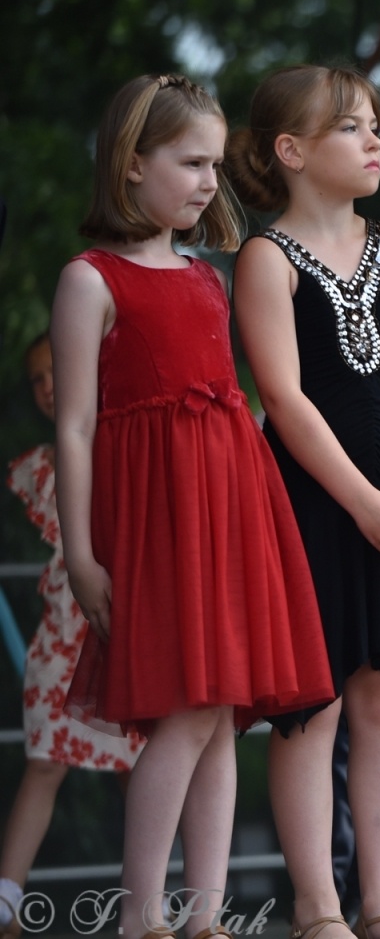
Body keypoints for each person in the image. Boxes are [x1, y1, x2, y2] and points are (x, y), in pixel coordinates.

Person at [52, 73, 332, 938]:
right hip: (157, 524)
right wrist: (82, 552)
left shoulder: (209, 277)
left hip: (228, 514)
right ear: (133, 165)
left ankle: (204, 915)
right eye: (190, 162)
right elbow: (73, 427)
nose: (210, 181)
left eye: (215, 163)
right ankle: (142, 914)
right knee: (184, 714)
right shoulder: (90, 280)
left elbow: (233, 410)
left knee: (221, 718)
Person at [229, 64, 380, 939]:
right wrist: (359, 499)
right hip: (313, 507)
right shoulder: (264, 257)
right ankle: (318, 907)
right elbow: (282, 398)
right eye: (353, 128)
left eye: (376, 126)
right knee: (311, 703)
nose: (375, 141)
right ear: (292, 151)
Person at [0, 334, 144, 936]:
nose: (47, 385)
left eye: (54, 369)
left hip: (124, 630)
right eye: (36, 379)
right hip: (62, 635)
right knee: (43, 762)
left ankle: (151, 900)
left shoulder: (124, 441)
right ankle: (6, 902)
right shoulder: (41, 467)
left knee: (144, 765)